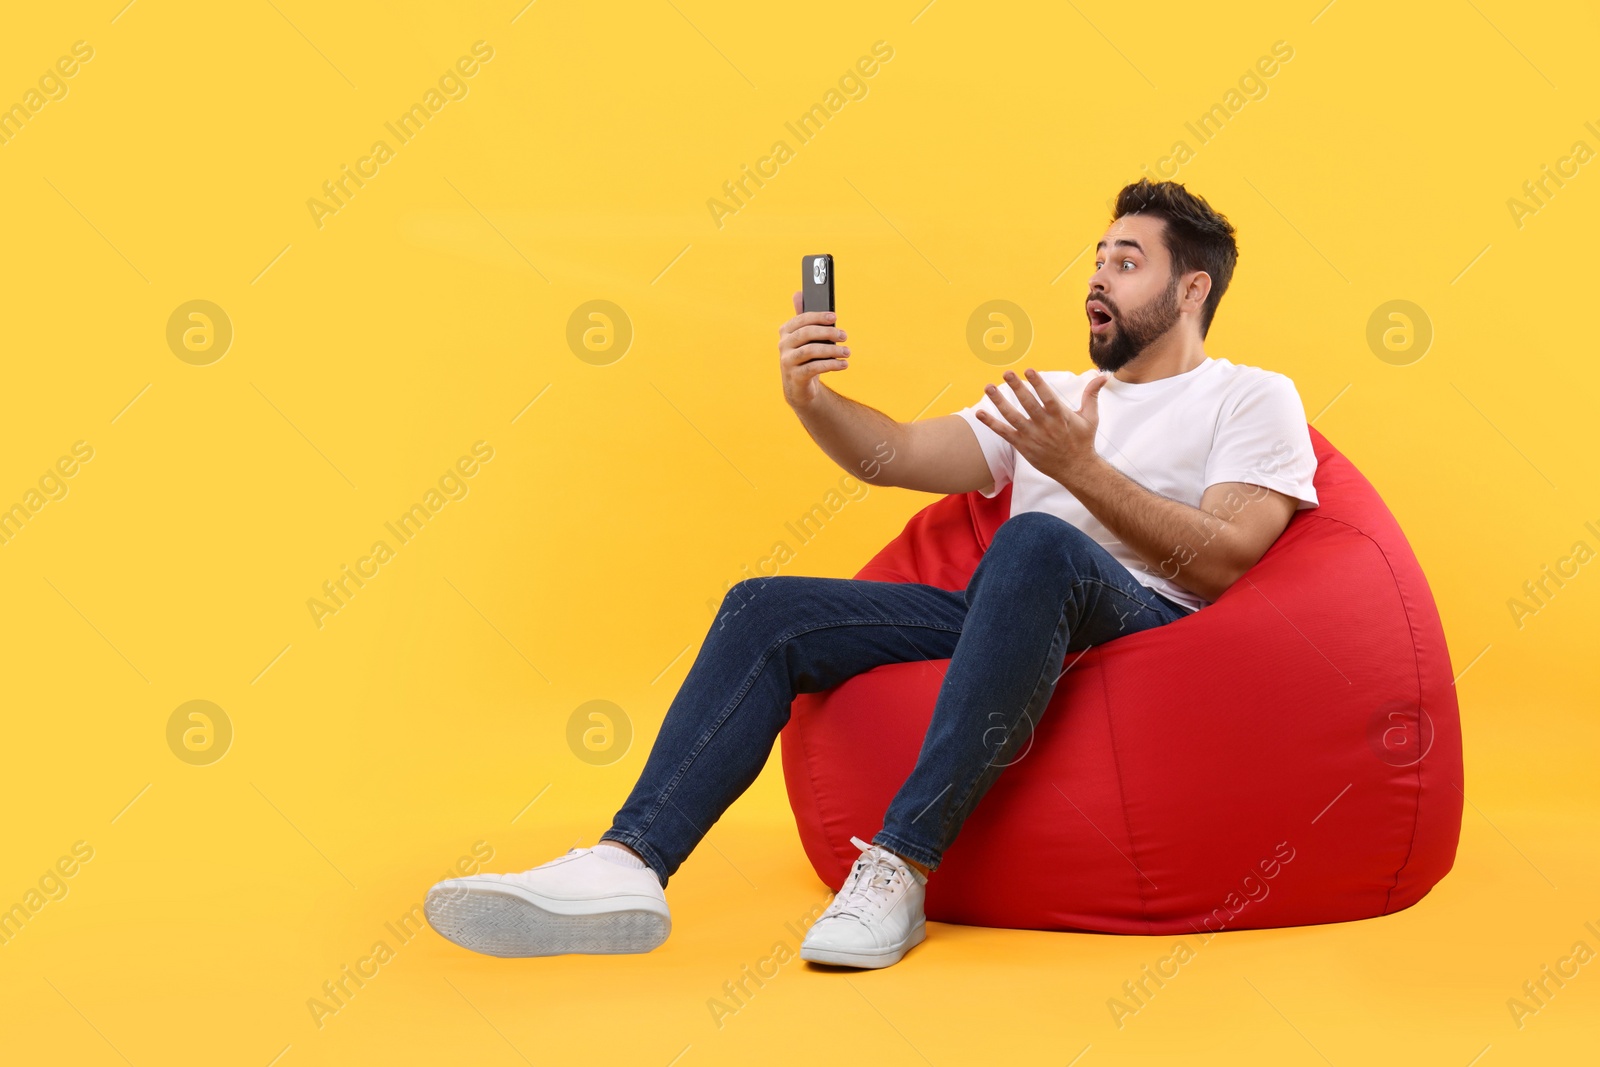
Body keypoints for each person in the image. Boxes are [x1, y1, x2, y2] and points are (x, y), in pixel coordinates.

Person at [424, 178, 1320, 969]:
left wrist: (1079, 471)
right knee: (766, 610)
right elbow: (891, 453)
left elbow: (1227, 552)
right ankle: (628, 864)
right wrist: (810, 399)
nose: (1096, 277)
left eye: (1126, 261)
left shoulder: (1249, 395)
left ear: (1191, 286)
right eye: (1095, 259)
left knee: (1035, 541)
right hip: (1009, 610)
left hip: (1147, 620)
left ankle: (899, 865)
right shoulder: (1050, 396)